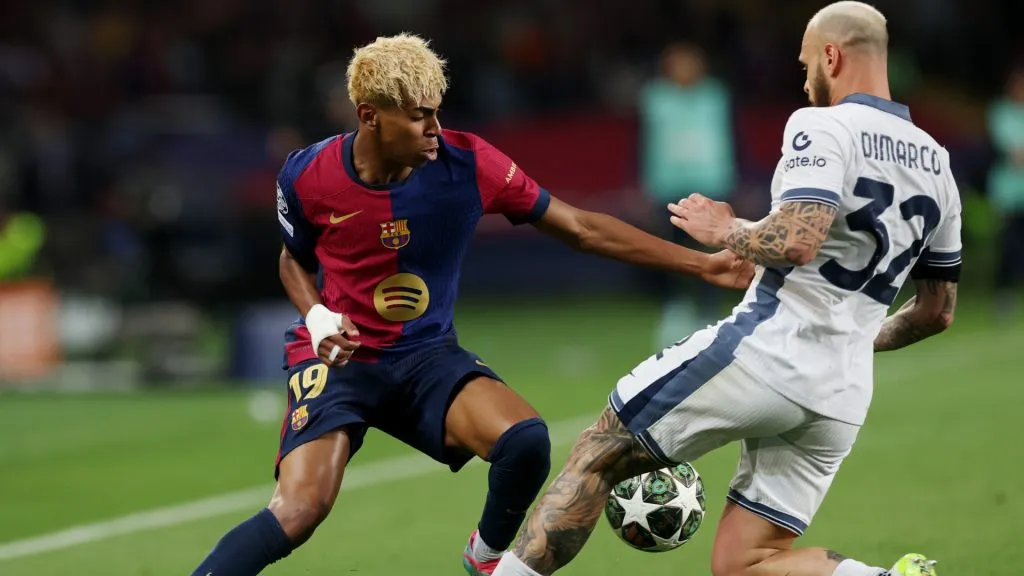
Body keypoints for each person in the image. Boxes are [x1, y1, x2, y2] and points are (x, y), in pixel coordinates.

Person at [189, 33, 752, 576]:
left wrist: (702, 264)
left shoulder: (469, 165)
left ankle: (485, 557)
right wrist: (316, 317)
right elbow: (292, 261)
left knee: (526, 442)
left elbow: (580, 227)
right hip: (339, 363)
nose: (435, 129)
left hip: (425, 357)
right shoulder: (307, 174)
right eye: (419, 116)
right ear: (369, 116)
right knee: (300, 510)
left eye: (437, 112)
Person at [492, 3, 960, 576]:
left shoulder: (823, 125)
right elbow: (937, 310)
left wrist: (729, 230)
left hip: (765, 354)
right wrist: (856, 338)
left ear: (831, 56)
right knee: (747, 562)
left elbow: (797, 240)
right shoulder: (937, 162)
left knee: (598, 451)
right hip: (843, 392)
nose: (804, 78)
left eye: (806, 64)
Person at [639, 41, 738, 346]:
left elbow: (729, 138)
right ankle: (674, 310)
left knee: (711, 251)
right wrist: (646, 184)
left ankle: (708, 313)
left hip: (710, 183)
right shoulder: (656, 98)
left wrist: (732, 179)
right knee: (669, 251)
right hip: (668, 186)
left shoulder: (714, 96)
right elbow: (646, 143)